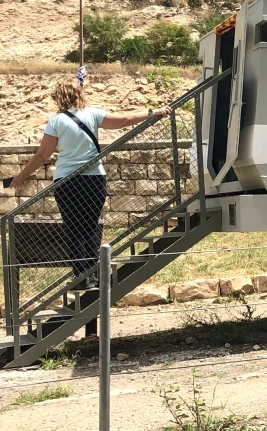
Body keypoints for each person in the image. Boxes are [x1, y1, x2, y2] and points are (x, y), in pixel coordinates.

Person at [7, 79, 170, 289]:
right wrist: (152, 111)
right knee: (91, 227)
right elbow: (123, 119)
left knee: (74, 229)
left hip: (68, 181)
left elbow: (42, 155)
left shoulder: (56, 122)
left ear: (59, 98)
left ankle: (81, 278)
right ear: (79, 95)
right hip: (94, 179)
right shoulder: (92, 114)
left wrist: (20, 177)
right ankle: (95, 276)